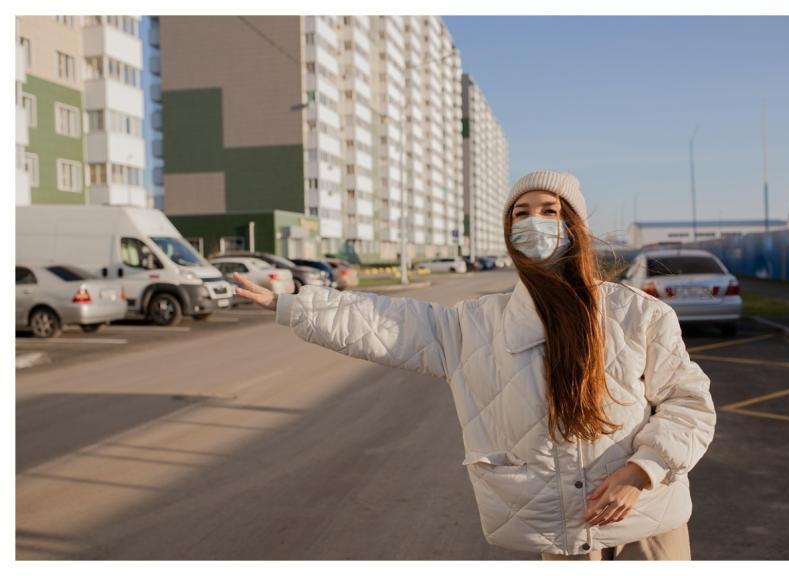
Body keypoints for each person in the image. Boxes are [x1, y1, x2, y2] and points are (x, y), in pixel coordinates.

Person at [233, 170, 716, 561]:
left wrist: (641, 471)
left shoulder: (638, 313)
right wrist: (295, 304)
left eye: (549, 211)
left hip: (650, 519)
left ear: (573, 225)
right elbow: (381, 321)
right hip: (564, 530)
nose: (534, 221)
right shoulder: (475, 324)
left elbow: (689, 405)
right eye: (521, 213)